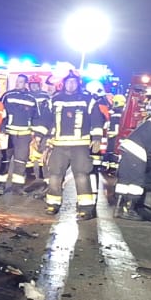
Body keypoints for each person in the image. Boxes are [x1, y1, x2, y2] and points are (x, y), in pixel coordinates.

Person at [43, 73, 107, 217]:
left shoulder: (88, 100)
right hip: (59, 145)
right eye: (68, 82)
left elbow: (97, 120)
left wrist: (97, 138)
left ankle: (86, 208)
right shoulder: (54, 99)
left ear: (78, 84)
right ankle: (52, 204)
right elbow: (46, 120)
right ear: (64, 83)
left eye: (74, 82)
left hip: (80, 145)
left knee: (81, 175)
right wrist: (39, 136)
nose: (71, 85)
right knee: (55, 175)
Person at [2, 74, 45, 193]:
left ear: (25, 84)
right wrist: (1, 129)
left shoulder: (31, 98)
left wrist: (37, 135)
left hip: (24, 135)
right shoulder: (8, 95)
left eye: (20, 82)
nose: (17, 83)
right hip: (8, 134)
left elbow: (37, 117)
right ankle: (0, 186)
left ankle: (18, 187)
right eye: (17, 81)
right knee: (4, 160)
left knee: (21, 161)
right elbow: (0, 112)